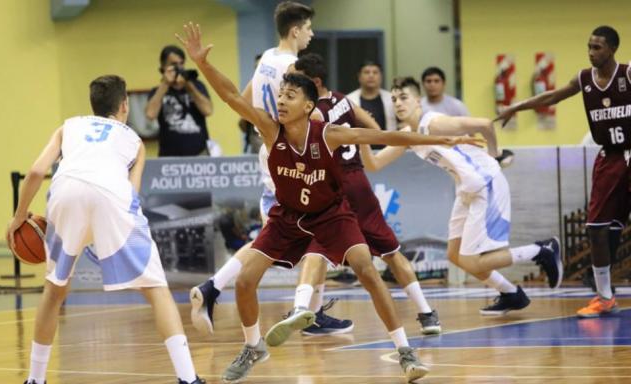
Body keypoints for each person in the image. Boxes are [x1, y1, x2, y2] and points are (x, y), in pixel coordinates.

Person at [176, 22, 483, 383]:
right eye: (281, 94)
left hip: (331, 215)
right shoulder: (271, 131)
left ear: (308, 105)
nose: (281, 99)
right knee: (245, 280)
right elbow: (231, 96)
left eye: (290, 95)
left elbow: (384, 133)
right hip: (288, 217)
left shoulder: (329, 134)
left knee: (367, 269)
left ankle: (405, 351)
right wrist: (204, 64)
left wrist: (447, 142)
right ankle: (253, 346)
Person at [6, 75, 204, 384]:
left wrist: (19, 217)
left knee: (54, 290)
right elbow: (132, 194)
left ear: (93, 105)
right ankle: (188, 378)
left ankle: (35, 379)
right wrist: (106, 231)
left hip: (65, 192)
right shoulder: (134, 141)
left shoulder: (68, 126)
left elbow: (35, 171)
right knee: (156, 289)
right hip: (113, 194)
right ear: (124, 105)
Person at [360, 76, 564, 316]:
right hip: (467, 189)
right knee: (455, 256)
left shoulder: (434, 124)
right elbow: (373, 164)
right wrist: (360, 135)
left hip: (486, 184)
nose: (398, 103)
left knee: (472, 261)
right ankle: (511, 294)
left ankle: (542, 250)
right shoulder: (407, 134)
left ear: (418, 100)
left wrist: (494, 154)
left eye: (404, 97)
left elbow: (484, 124)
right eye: (394, 99)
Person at [281, 53, 440, 336]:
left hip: (334, 187)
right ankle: (427, 314)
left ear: (313, 82)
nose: (291, 83)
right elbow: (373, 128)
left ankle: (301, 308)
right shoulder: (343, 99)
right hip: (359, 182)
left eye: (297, 78)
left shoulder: (313, 113)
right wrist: (363, 153)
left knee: (315, 250)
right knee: (391, 252)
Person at [189, 0, 316, 335]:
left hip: (270, 146)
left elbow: (242, 101)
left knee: (291, 235)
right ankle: (303, 310)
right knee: (311, 234)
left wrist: (264, 126)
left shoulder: (267, 59)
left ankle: (214, 289)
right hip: (288, 153)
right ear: (295, 30)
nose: (312, 34)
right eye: (308, 28)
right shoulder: (294, 66)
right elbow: (308, 114)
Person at [496, 25, 628, 318]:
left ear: (612, 50)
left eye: (598, 48)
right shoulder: (584, 79)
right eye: (589, 47)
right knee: (596, 230)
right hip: (609, 159)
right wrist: (516, 106)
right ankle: (605, 297)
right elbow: (552, 97)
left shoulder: (627, 75)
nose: (592, 52)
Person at [146, 45, 213, 156]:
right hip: (169, 156)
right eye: (174, 64)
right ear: (163, 66)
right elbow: (150, 114)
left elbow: (208, 110)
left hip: (199, 154)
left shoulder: (197, 85)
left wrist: (189, 86)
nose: (179, 68)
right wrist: (165, 84)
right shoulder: (157, 91)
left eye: (181, 64)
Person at [347, 61, 397, 149]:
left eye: (375, 72)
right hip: (359, 151)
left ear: (381, 76)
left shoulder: (392, 99)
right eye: (366, 72)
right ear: (359, 77)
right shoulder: (348, 100)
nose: (371, 75)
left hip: (388, 150)